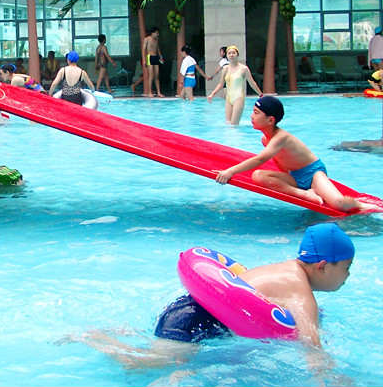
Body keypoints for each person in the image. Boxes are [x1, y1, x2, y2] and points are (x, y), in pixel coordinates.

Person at [67, 223, 355, 373]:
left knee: (166, 359)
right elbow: (311, 346)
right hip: (193, 323)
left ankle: (119, 332)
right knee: (142, 365)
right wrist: (328, 376)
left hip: (187, 310)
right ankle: (93, 337)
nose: (347, 276)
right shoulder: (299, 291)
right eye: (346, 267)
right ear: (323, 266)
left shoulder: (284, 270)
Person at [215, 96, 374, 212]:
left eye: (256, 113)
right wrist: (285, 180)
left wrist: (230, 171)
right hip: (296, 177)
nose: (251, 116)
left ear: (270, 120)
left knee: (339, 204)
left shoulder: (281, 137)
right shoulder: (266, 139)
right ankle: (305, 194)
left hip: (313, 174)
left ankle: (362, 204)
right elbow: (280, 163)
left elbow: (260, 159)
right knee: (258, 176)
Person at [207, 45, 263, 125]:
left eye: (233, 53)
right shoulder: (225, 69)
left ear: (237, 54)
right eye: (229, 53)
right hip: (229, 98)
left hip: (238, 98)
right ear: (227, 56)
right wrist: (212, 94)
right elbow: (221, 84)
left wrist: (260, 94)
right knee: (228, 123)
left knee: (234, 124)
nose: (231, 55)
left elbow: (252, 83)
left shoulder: (244, 69)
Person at [142, 27, 164, 97]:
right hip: (149, 57)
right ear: (152, 33)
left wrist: (160, 56)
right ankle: (149, 92)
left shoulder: (156, 39)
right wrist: (144, 60)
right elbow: (143, 50)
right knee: (151, 75)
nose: (158, 34)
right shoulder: (147, 39)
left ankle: (159, 92)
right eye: (156, 33)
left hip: (156, 57)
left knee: (157, 76)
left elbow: (158, 48)